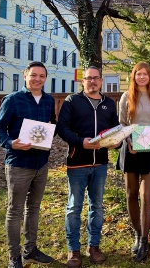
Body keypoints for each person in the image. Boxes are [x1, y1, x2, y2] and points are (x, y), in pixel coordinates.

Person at [0, 61, 56, 268]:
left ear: (45, 78)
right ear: (26, 76)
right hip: (19, 164)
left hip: (41, 163)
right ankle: (14, 256)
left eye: (42, 76)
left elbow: (51, 124)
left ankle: (31, 249)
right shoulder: (13, 100)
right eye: (34, 75)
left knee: (34, 208)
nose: (38, 79)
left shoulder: (48, 100)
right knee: (15, 210)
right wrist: (11, 143)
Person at [57, 66, 119, 268]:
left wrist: (117, 140)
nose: (92, 82)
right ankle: (73, 249)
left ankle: (94, 246)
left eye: (95, 78)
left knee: (97, 207)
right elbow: (62, 128)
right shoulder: (72, 101)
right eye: (88, 78)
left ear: (101, 81)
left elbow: (115, 127)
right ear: (82, 81)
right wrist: (79, 142)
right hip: (77, 162)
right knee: (74, 207)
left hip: (100, 163)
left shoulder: (108, 103)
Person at [116, 61, 150, 263]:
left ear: (149, 76)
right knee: (131, 194)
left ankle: (145, 240)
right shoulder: (126, 97)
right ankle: (137, 234)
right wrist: (128, 140)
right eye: (138, 74)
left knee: (146, 195)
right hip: (131, 149)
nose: (142, 77)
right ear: (134, 76)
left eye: (145, 74)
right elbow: (122, 124)